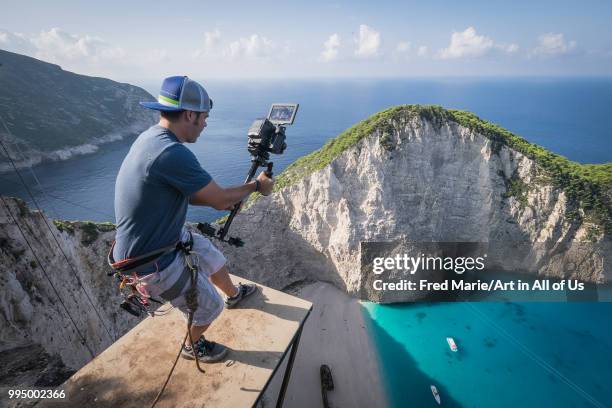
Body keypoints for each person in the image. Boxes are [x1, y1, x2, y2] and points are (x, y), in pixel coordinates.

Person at [112, 75, 274, 363]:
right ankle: (192, 345)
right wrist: (257, 186)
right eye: (205, 117)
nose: (206, 123)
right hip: (150, 260)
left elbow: (195, 195)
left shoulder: (151, 138)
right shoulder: (171, 153)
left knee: (209, 255)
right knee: (209, 308)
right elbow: (220, 199)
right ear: (190, 114)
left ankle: (234, 294)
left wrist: (221, 199)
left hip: (162, 238)